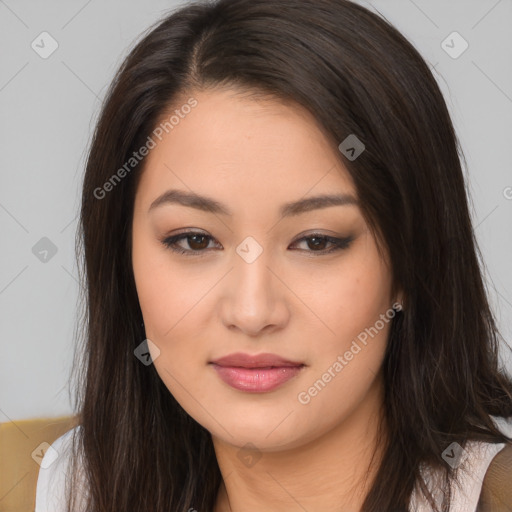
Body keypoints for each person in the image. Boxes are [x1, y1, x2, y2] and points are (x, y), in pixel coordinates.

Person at [34, 0, 512, 511]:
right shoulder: (76, 486)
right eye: (195, 240)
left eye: (316, 241)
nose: (252, 311)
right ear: (122, 257)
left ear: (410, 263)